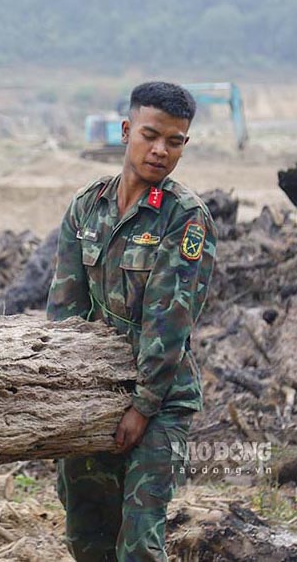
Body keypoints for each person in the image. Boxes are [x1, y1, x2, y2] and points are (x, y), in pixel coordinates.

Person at [47, 81, 217, 561]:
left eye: (176, 141)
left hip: (159, 403)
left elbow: (170, 324)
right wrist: (63, 398)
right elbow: (64, 313)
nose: (161, 150)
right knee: (87, 533)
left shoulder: (185, 219)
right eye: (151, 135)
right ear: (126, 131)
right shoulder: (87, 206)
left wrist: (142, 407)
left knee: (139, 542)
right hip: (95, 394)